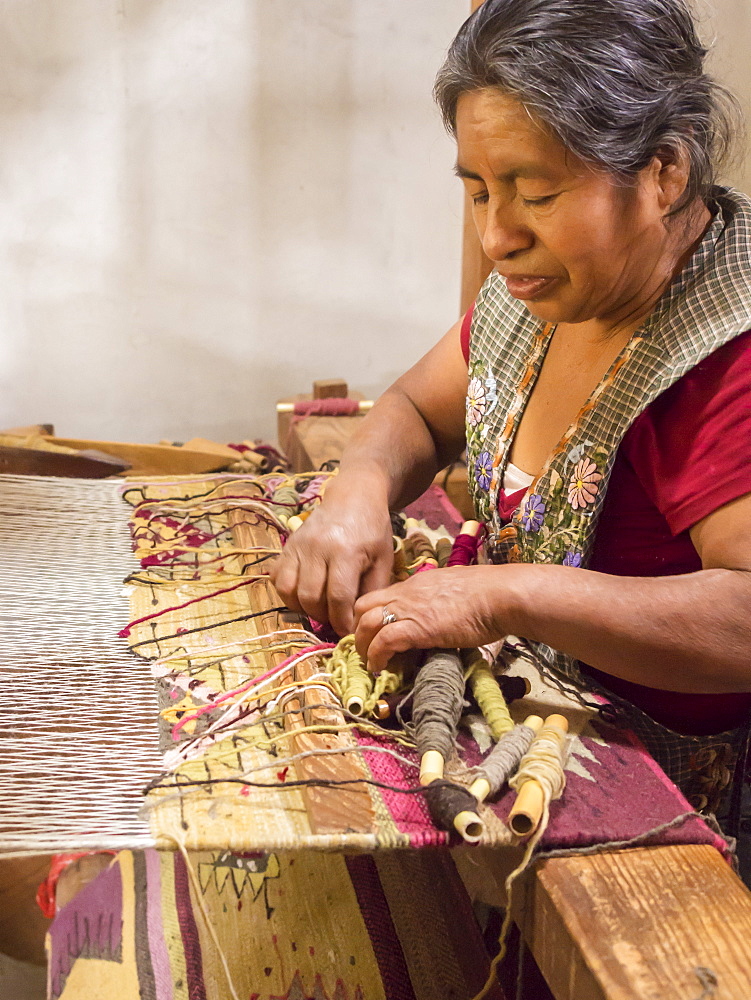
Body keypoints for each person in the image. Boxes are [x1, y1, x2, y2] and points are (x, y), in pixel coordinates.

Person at [271, 0, 751, 874]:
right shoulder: (549, 287)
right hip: (515, 715)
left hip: (657, 818)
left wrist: (497, 597)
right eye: (478, 190)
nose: (498, 236)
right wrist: (356, 492)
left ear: (664, 173)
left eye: (537, 194)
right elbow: (417, 410)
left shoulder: (726, 357)